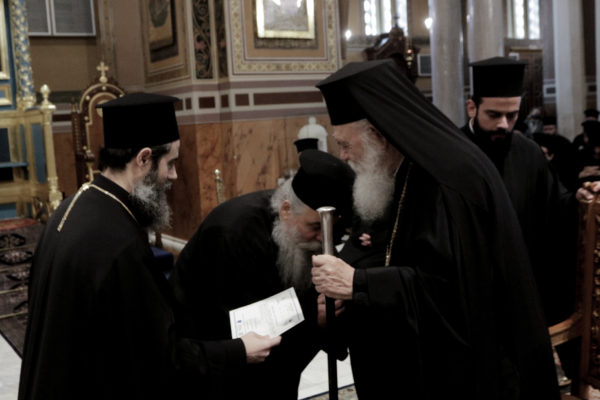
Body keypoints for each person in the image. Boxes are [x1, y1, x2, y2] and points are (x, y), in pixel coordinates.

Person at [311, 59, 559, 399]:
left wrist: (359, 283)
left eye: (345, 144)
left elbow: (451, 291)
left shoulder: (445, 181)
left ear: (378, 136)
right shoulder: (403, 171)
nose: (342, 156)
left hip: (465, 374)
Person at [18, 93, 281, 400]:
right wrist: (238, 351)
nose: (174, 175)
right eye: (170, 163)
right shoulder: (120, 242)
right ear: (143, 159)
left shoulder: (73, 206)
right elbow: (160, 361)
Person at [170, 149, 354, 399]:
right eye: (314, 227)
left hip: (272, 358)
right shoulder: (234, 232)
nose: (322, 239)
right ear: (286, 210)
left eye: (329, 229)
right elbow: (245, 329)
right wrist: (314, 318)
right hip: (216, 348)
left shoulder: (301, 227)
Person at [460, 57, 577, 327]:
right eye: (494, 115)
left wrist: (580, 199)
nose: (504, 124)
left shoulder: (529, 152)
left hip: (521, 288)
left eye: (512, 116)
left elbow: (556, 207)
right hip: (471, 293)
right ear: (472, 108)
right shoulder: (451, 153)